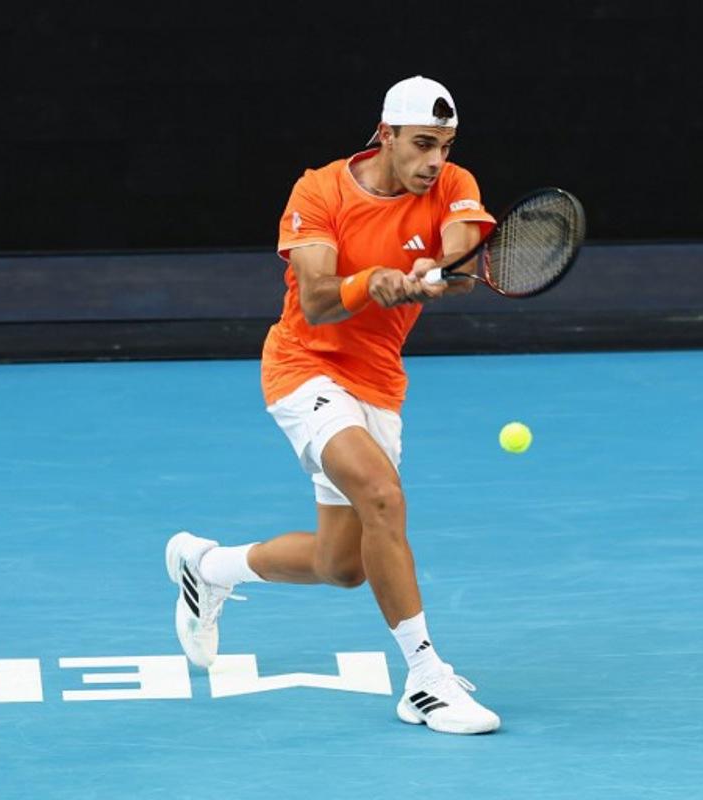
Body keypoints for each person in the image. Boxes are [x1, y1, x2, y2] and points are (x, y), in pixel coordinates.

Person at [166, 76, 500, 735]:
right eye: (423, 144)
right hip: (303, 367)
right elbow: (318, 298)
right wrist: (373, 282)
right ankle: (426, 680)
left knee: (341, 565)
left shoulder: (452, 184)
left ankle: (206, 567)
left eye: (446, 146)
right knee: (382, 495)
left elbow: (465, 241)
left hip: (378, 382)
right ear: (386, 136)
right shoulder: (318, 190)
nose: (434, 160)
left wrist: (440, 266)